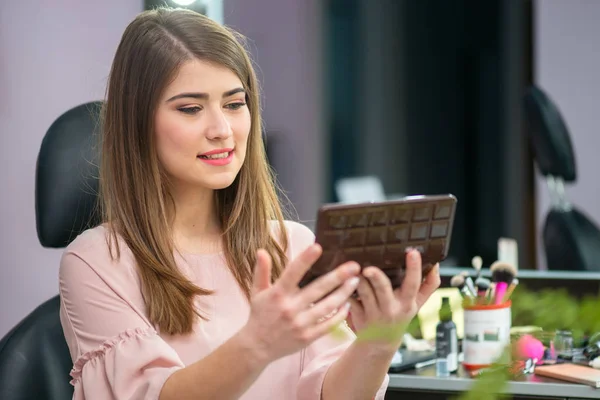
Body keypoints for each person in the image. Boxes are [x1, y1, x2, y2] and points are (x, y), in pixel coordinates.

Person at [58, 7, 441, 400]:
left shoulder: (292, 246)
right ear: (138, 122)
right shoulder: (97, 263)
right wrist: (258, 344)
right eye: (191, 108)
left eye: (234, 104)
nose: (221, 130)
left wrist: (379, 341)